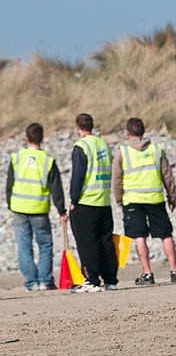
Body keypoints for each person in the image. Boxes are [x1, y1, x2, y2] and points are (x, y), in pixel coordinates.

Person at [112, 117, 176, 285]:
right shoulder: (156, 149)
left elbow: (116, 179)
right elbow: (167, 176)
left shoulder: (122, 152)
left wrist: (119, 199)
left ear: (127, 133)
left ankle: (147, 273)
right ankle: (174, 270)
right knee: (165, 234)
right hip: (155, 199)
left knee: (139, 236)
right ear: (143, 132)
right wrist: (172, 196)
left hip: (132, 200)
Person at [6, 123, 68, 291]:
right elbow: (56, 189)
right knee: (45, 244)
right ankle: (45, 280)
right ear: (42, 138)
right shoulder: (47, 161)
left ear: (26, 138)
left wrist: (10, 203)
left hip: (19, 207)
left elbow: (9, 184)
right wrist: (61, 210)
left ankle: (31, 282)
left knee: (24, 245)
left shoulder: (17, 157)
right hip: (39, 208)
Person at [69, 113, 118, 292]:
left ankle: (91, 279)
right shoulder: (103, 144)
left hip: (86, 201)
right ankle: (110, 279)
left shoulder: (81, 146)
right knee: (106, 241)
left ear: (78, 128)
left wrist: (73, 199)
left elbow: (78, 176)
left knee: (87, 242)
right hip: (103, 201)